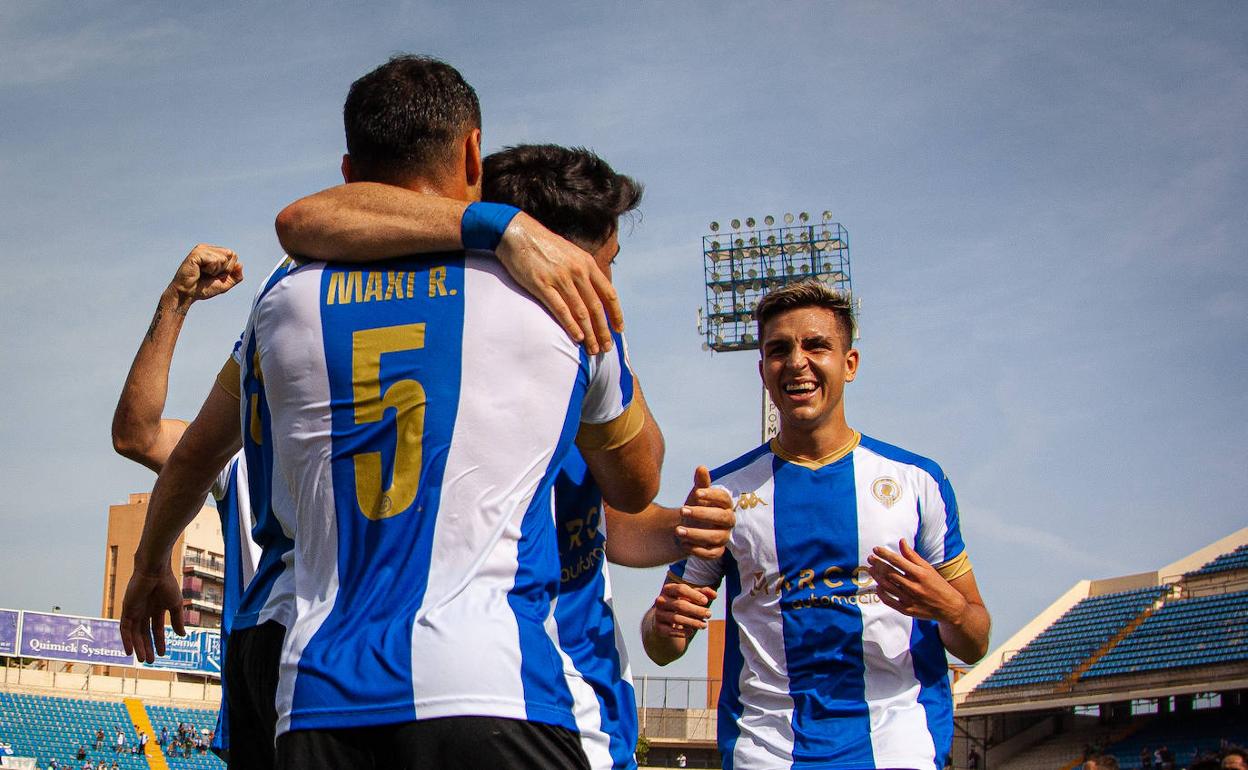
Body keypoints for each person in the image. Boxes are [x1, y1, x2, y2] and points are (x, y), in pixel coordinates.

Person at [123, 54, 663, 770]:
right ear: (472, 151)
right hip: (495, 683)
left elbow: (296, 224)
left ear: (352, 174)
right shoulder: (556, 298)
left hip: (309, 679)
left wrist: (149, 559)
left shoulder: (285, 299)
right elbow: (635, 483)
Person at [276, 142, 738, 770]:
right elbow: (636, 478)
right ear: (572, 257)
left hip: (326, 682)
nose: (609, 279)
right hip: (531, 690)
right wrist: (603, 331)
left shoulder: (311, 306)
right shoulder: (562, 335)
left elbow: (608, 525)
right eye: (609, 261)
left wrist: (681, 527)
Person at [641, 281, 992, 769]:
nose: (797, 362)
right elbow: (663, 648)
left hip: (896, 744)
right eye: (779, 349)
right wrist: (662, 623)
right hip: (766, 749)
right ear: (763, 370)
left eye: (816, 346)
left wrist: (948, 606)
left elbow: (974, 642)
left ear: (850, 363)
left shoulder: (917, 482)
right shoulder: (722, 494)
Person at [109, 243, 254, 763]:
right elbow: (137, 436)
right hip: (265, 687)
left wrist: (149, 564)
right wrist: (177, 300)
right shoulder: (237, 453)